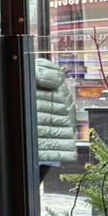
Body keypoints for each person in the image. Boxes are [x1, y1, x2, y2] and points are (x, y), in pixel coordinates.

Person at [33, 54, 78, 182]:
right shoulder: (56, 79)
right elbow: (70, 111)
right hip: (53, 148)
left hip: (30, 148)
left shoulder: (23, 75)